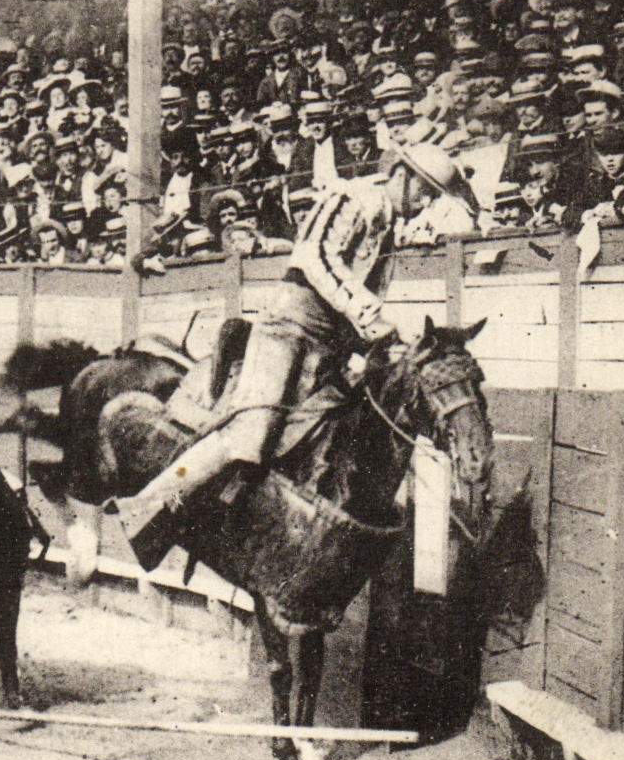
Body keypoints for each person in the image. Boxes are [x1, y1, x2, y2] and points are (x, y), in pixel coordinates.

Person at [113, 142, 465, 544]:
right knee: (250, 434)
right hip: (288, 329)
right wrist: (369, 316)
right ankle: (146, 505)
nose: (425, 203)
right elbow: (315, 256)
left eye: (433, 196)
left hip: (330, 345)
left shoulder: (388, 229)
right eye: (425, 191)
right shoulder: (352, 197)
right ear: (402, 175)